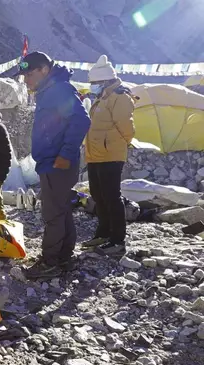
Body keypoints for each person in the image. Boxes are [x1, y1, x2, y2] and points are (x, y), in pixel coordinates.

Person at [12, 52, 91, 279]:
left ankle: (50, 262)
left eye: (29, 74)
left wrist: (66, 153)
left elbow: (81, 120)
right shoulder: (49, 91)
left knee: (53, 213)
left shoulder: (59, 90)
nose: (26, 79)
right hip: (51, 161)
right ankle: (64, 257)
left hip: (58, 163)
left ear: (44, 70)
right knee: (62, 209)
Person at [82, 55, 135, 255]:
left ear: (104, 81)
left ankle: (117, 240)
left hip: (110, 155)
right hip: (95, 155)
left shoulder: (120, 97)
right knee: (98, 195)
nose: (92, 86)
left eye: (94, 82)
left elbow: (127, 129)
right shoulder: (102, 97)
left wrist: (113, 145)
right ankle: (103, 233)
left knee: (112, 197)